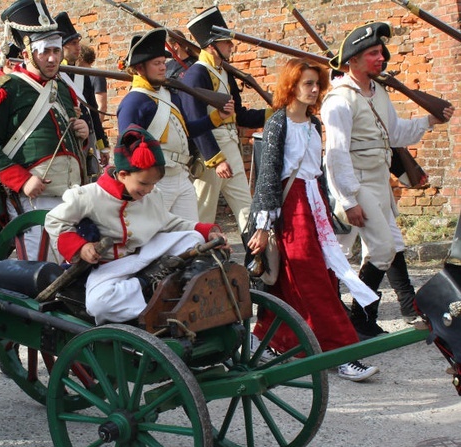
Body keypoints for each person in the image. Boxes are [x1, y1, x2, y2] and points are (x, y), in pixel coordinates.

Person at [247, 58, 379, 381]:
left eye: (316, 83)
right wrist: (264, 227)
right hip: (290, 208)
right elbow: (268, 177)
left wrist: (327, 216)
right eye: (307, 83)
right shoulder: (279, 122)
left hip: (313, 205)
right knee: (310, 279)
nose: (314, 89)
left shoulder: (314, 124)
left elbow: (317, 175)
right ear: (291, 86)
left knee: (312, 277)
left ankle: (263, 337)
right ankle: (343, 353)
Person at [321, 22, 454, 338]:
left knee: (390, 245)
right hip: (358, 181)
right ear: (352, 60)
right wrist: (348, 199)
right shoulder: (339, 101)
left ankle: (365, 319)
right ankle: (362, 319)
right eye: (372, 53)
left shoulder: (377, 91)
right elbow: (336, 155)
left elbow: (394, 133)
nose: (381, 58)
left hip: (380, 180)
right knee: (381, 249)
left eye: (381, 52)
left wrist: (428, 121)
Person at [45, 124, 227, 324]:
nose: (149, 190)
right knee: (99, 304)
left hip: (146, 256)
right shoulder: (87, 196)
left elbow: (169, 223)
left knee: (193, 238)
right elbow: (54, 221)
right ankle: (146, 288)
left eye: (153, 184)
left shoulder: (152, 195)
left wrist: (207, 232)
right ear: (123, 175)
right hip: (109, 268)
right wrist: (81, 247)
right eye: (143, 183)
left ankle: (171, 284)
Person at [0, 0, 89, 261]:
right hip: (32, 197)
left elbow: (65, 141)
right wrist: (22, 180)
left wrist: (81, 134)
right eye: (45, 51)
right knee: (41, 270)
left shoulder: (63, 89)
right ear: (27, 53)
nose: (52, 58)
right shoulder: (4, 89)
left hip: (70, 194)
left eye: (56, 51)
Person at [117, 27, 233, 222]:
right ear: (139, 68)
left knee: (189, 236)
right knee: (152, 235)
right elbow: (127, 149)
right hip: (156, 180)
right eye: (157, 63)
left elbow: (188, 131)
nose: (163, 67)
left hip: (181, 174)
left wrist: (216, 118)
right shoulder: (133, 102)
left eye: (163, 62)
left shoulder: (168, 95)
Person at [181, 7, 270, 231]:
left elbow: (239, 115)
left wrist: (272, 113)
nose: (231, 46)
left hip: (231, 145)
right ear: (211, 46)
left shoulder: (224, 72)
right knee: (204, 210)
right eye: (226, 42)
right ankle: (197, 258)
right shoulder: (196, 74)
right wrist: (216, 158)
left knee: (245, 206)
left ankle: (255, 256)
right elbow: (195, 121)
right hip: (211, 151)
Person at [55, 11, 110, 171]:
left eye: (77, 42)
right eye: (72, 43)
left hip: (89, 136)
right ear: (62, 46)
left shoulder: (81, 74)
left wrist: (102, 145)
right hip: (69, 137)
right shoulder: (55, 76)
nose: (78, 47)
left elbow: (93, 111)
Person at [78, 44, 108, 123]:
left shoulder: (96, 76)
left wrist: (96, 128)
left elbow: (102, 106)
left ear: (80, 58)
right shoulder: (77, 76)